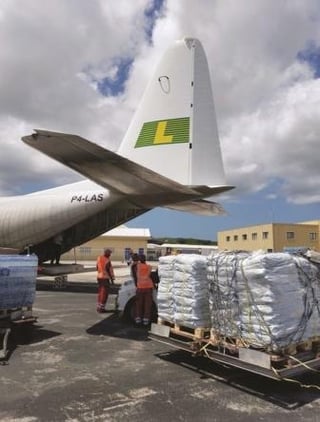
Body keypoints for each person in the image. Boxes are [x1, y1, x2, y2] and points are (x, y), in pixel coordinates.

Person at [135, 254, 154, 326]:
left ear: (139, 260)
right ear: (145, 259)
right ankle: (146, 320)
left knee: (139, 304)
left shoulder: (137, 266)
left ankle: (138, 319)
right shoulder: (149, 267)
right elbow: (151, 275)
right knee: (147, 304)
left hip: (140, 287)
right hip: (148, 287)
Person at [96, 248, 115, 313]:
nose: (110, 255)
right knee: (104, 294)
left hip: (99, 277)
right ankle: (102, 308)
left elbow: (97, 267)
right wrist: (112, 279)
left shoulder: (99, 258)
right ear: (106, 253)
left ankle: (99, 307)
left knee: (100, 292)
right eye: (109, 253)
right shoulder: (107, 260)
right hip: (105, 278)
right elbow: (108, 270)